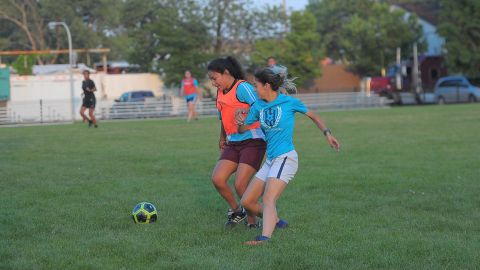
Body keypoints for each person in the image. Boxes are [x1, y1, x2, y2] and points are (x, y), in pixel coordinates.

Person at [235, 67, 340, 245]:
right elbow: (244, 128)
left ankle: (265, 238)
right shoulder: (258, 105)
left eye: (256, 85)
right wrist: (240, 122)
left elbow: (314, 116)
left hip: (286, 158)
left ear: (266, 85)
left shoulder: (288, 102)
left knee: (268, 198)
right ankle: (275, 220)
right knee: (247, 201)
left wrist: (327, 133)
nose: (254, 89)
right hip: (271, 160)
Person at [207, 56, 267, 228]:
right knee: (218, 179)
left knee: (240, 184)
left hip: (253, 139)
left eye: (214, 78)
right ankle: (237, 211)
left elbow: (261, 106)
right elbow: (222, 117)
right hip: (233, 142)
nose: (213, 83)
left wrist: (246, 113)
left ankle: (261, 219)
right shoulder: (220, 92)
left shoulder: (243, 87)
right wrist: (222, 137)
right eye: (211, 79)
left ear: (226, 73)